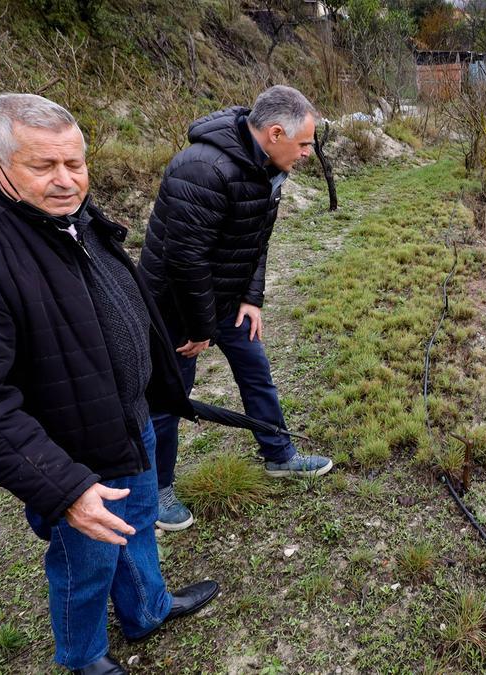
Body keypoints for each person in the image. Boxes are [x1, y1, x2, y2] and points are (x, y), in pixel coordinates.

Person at [0, 93, 219, 674]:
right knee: (86, 559)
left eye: (75, 163)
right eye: (43, 166)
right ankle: (83, 658)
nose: (67, 181)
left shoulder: (64, 212)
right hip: (70, 445)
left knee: (139, 524)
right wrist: (67, 488)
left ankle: (147, 609)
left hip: (126, 415)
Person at [140, 85, 333, 531]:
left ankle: (279, 455)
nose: (308, 153)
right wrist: (200, 327)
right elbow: (183, 260)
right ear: (276, 133)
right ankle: (156, 494)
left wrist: (251, 297)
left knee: (255, 368)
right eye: (304, 144)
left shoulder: (269, 167)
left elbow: (255, 241)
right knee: (168, 399)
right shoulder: (204, 169)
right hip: (173, 308)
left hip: (224, 299)